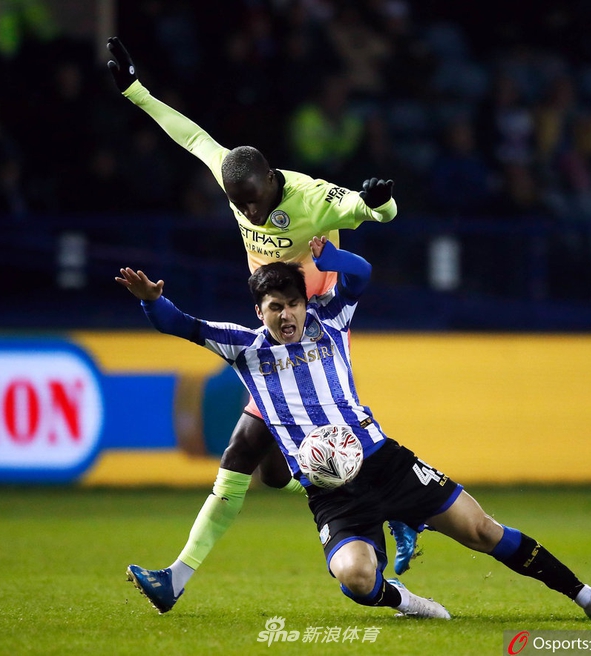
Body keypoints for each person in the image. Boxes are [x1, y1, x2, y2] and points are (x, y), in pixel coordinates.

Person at [115, 237, 591, 621]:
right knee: (357, 578)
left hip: (386, 462)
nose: (287, 315)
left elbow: (362, 273)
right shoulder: (245, 348)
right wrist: (149, 299)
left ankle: (587, 596)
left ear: (304, 303)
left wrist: (331, 261)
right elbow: (179, 324)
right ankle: (405, 601)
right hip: (332, 492)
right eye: (276, 308)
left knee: (483, 531)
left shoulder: (331, 323)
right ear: (261, 311)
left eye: (294, 304)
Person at [105, 36, 419, 610]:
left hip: (314, 322)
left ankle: (174, 580)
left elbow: (378, 211)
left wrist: (380, 200)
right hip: (280, 322)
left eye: (253, 204)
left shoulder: (314, 199)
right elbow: (191, 135)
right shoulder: (237, 180)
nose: (248, 214)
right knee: (278, 467)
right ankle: (398, 513)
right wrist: (134, 90)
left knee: (244, 450)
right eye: (239, 205)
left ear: (273, 180)